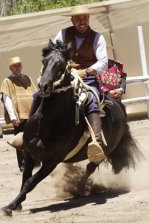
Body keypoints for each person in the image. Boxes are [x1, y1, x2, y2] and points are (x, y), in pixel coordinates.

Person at [56, 5, 108, 164]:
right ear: (72, 20)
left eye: (84, 18)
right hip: (66, 77)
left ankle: (96, 142)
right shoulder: (63, 34)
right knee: (41, 94)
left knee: (92, 98)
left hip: (88, 79)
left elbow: (103, 62)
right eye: (77, 18)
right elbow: (55, 53)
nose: (81, 21)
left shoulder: (98, 38)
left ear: (88, 19)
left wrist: (85, 72)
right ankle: (30, 133)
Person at [1, 56, 36, 172]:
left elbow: (35, 94)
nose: (18, 67)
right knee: (21, 140)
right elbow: (7, 99)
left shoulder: (28, 78)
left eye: (19, 65)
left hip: (31, 114)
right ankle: (22, 164)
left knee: (35, 138)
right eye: (15, 66)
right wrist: (12, 116)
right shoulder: (7, 81)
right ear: (10, 68)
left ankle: (35, 162)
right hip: (19, 115)